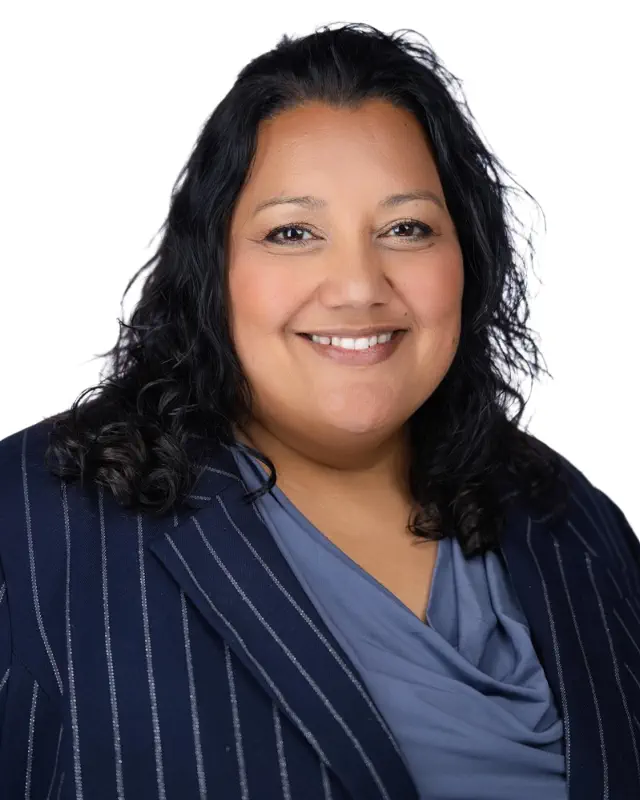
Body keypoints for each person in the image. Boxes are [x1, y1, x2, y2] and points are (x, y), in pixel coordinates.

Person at [0, 21, 638, 800]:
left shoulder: (575, 522)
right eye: (293, 232)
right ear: (213, 266)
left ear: (466, 257)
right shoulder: (30, 521)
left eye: (406, 228)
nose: (359, 286)